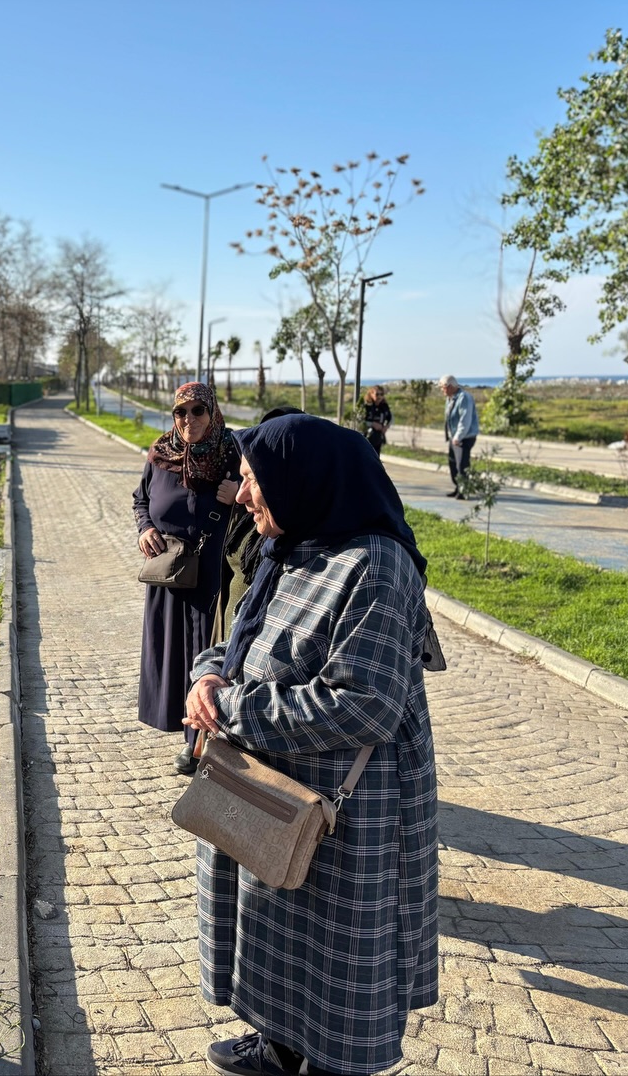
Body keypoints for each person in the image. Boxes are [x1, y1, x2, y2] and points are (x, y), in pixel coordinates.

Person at [184, 413, 439, 1076]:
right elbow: (240, 643)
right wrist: (208, 675)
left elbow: (366, 705)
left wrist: (232, 709)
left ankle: (327, 1062)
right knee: (273, 931)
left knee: (334, 958)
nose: (242, 495)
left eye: (251, 480)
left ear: (304, 480)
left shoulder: (376, 569)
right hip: (277, 788)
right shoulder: (293, 546)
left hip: (348, 816)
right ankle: (277, 1045)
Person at [134, 382, 240, 777]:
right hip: (171, 574)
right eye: (181, 412)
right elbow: (140, 498)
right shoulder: (161, 453)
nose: (189, 419)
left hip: (215, 572)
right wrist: (145, 528)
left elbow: (265, 500)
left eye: (198, 411)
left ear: (212, 413)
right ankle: (188, 733)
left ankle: (201, 745)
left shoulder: (232, 453)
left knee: (211, 654)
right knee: (176, 655)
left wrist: (241, 492)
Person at [210, 406, 303, 648]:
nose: (243, 495)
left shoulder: (303, 537)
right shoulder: (253, 519)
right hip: (228, 638)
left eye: (252, 478)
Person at [440, 374, 478, 499]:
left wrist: (458, 437)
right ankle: (458, 487)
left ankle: (464, 490)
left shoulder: (464, 398)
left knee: (462, 464)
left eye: (442, 387)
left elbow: (465, 419)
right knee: (453, 463)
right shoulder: (450, 397)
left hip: (464, 437)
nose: (441, 390)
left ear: (449, 386)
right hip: (454, 436)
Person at [361, 384, 392, 456]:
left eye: (381, 394)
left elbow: (390, 418)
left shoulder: (384, 406)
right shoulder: (366, 406)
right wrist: (372, 424)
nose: (379, 397)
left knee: (376, 458)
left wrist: (386, 426)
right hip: (366, 437)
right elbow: (359, 421)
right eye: (377, 394)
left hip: (378, 438)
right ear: (371, 394)